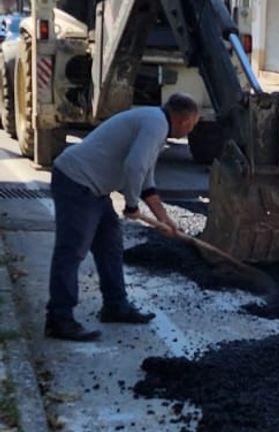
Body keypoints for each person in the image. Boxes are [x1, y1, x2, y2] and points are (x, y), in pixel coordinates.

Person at [45, 93, 200, 341]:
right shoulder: (156, 123)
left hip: (96, 189)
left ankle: (115, 306)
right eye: (194, 123)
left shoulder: (156, 125)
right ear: (183, 120)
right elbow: (134, 166)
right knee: (72, 251)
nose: (192, 129)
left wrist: (164, 219)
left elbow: (146, 177)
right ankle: (58, 319)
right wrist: (130, 205)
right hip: (77, 182)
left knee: (110, 247)